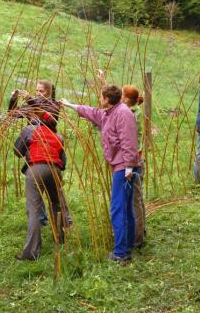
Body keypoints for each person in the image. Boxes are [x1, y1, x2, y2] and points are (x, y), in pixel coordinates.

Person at [61, 85, 139, 265]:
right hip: (121, 165)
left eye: (101, 97)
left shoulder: (123, 113)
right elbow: (92, 112)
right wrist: (69, 105)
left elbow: (129, 139)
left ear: (106, 98)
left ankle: (121, 253)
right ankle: (128, 245)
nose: (99, 99)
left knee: (118, 209)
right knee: (126, 207)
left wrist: (128, 166)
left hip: (123, 167)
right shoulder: (108, 113)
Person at [13, 107, 69, 261]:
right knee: (57, 204)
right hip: (55, 170)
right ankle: (62, 239)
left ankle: (31, 251)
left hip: (35, 169)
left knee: (34, 209)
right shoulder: (58, 136)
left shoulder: (30, 130)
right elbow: (63, 163)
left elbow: (17, 151)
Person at [121, 85, 147, 249]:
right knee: (137, 198)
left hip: (133, 161)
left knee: (135, 200)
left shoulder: (131, 113)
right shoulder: (134, 110)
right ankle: (141, 230)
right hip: (138, 159)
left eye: (122, 95)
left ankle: (137, 238)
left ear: (126, 99)